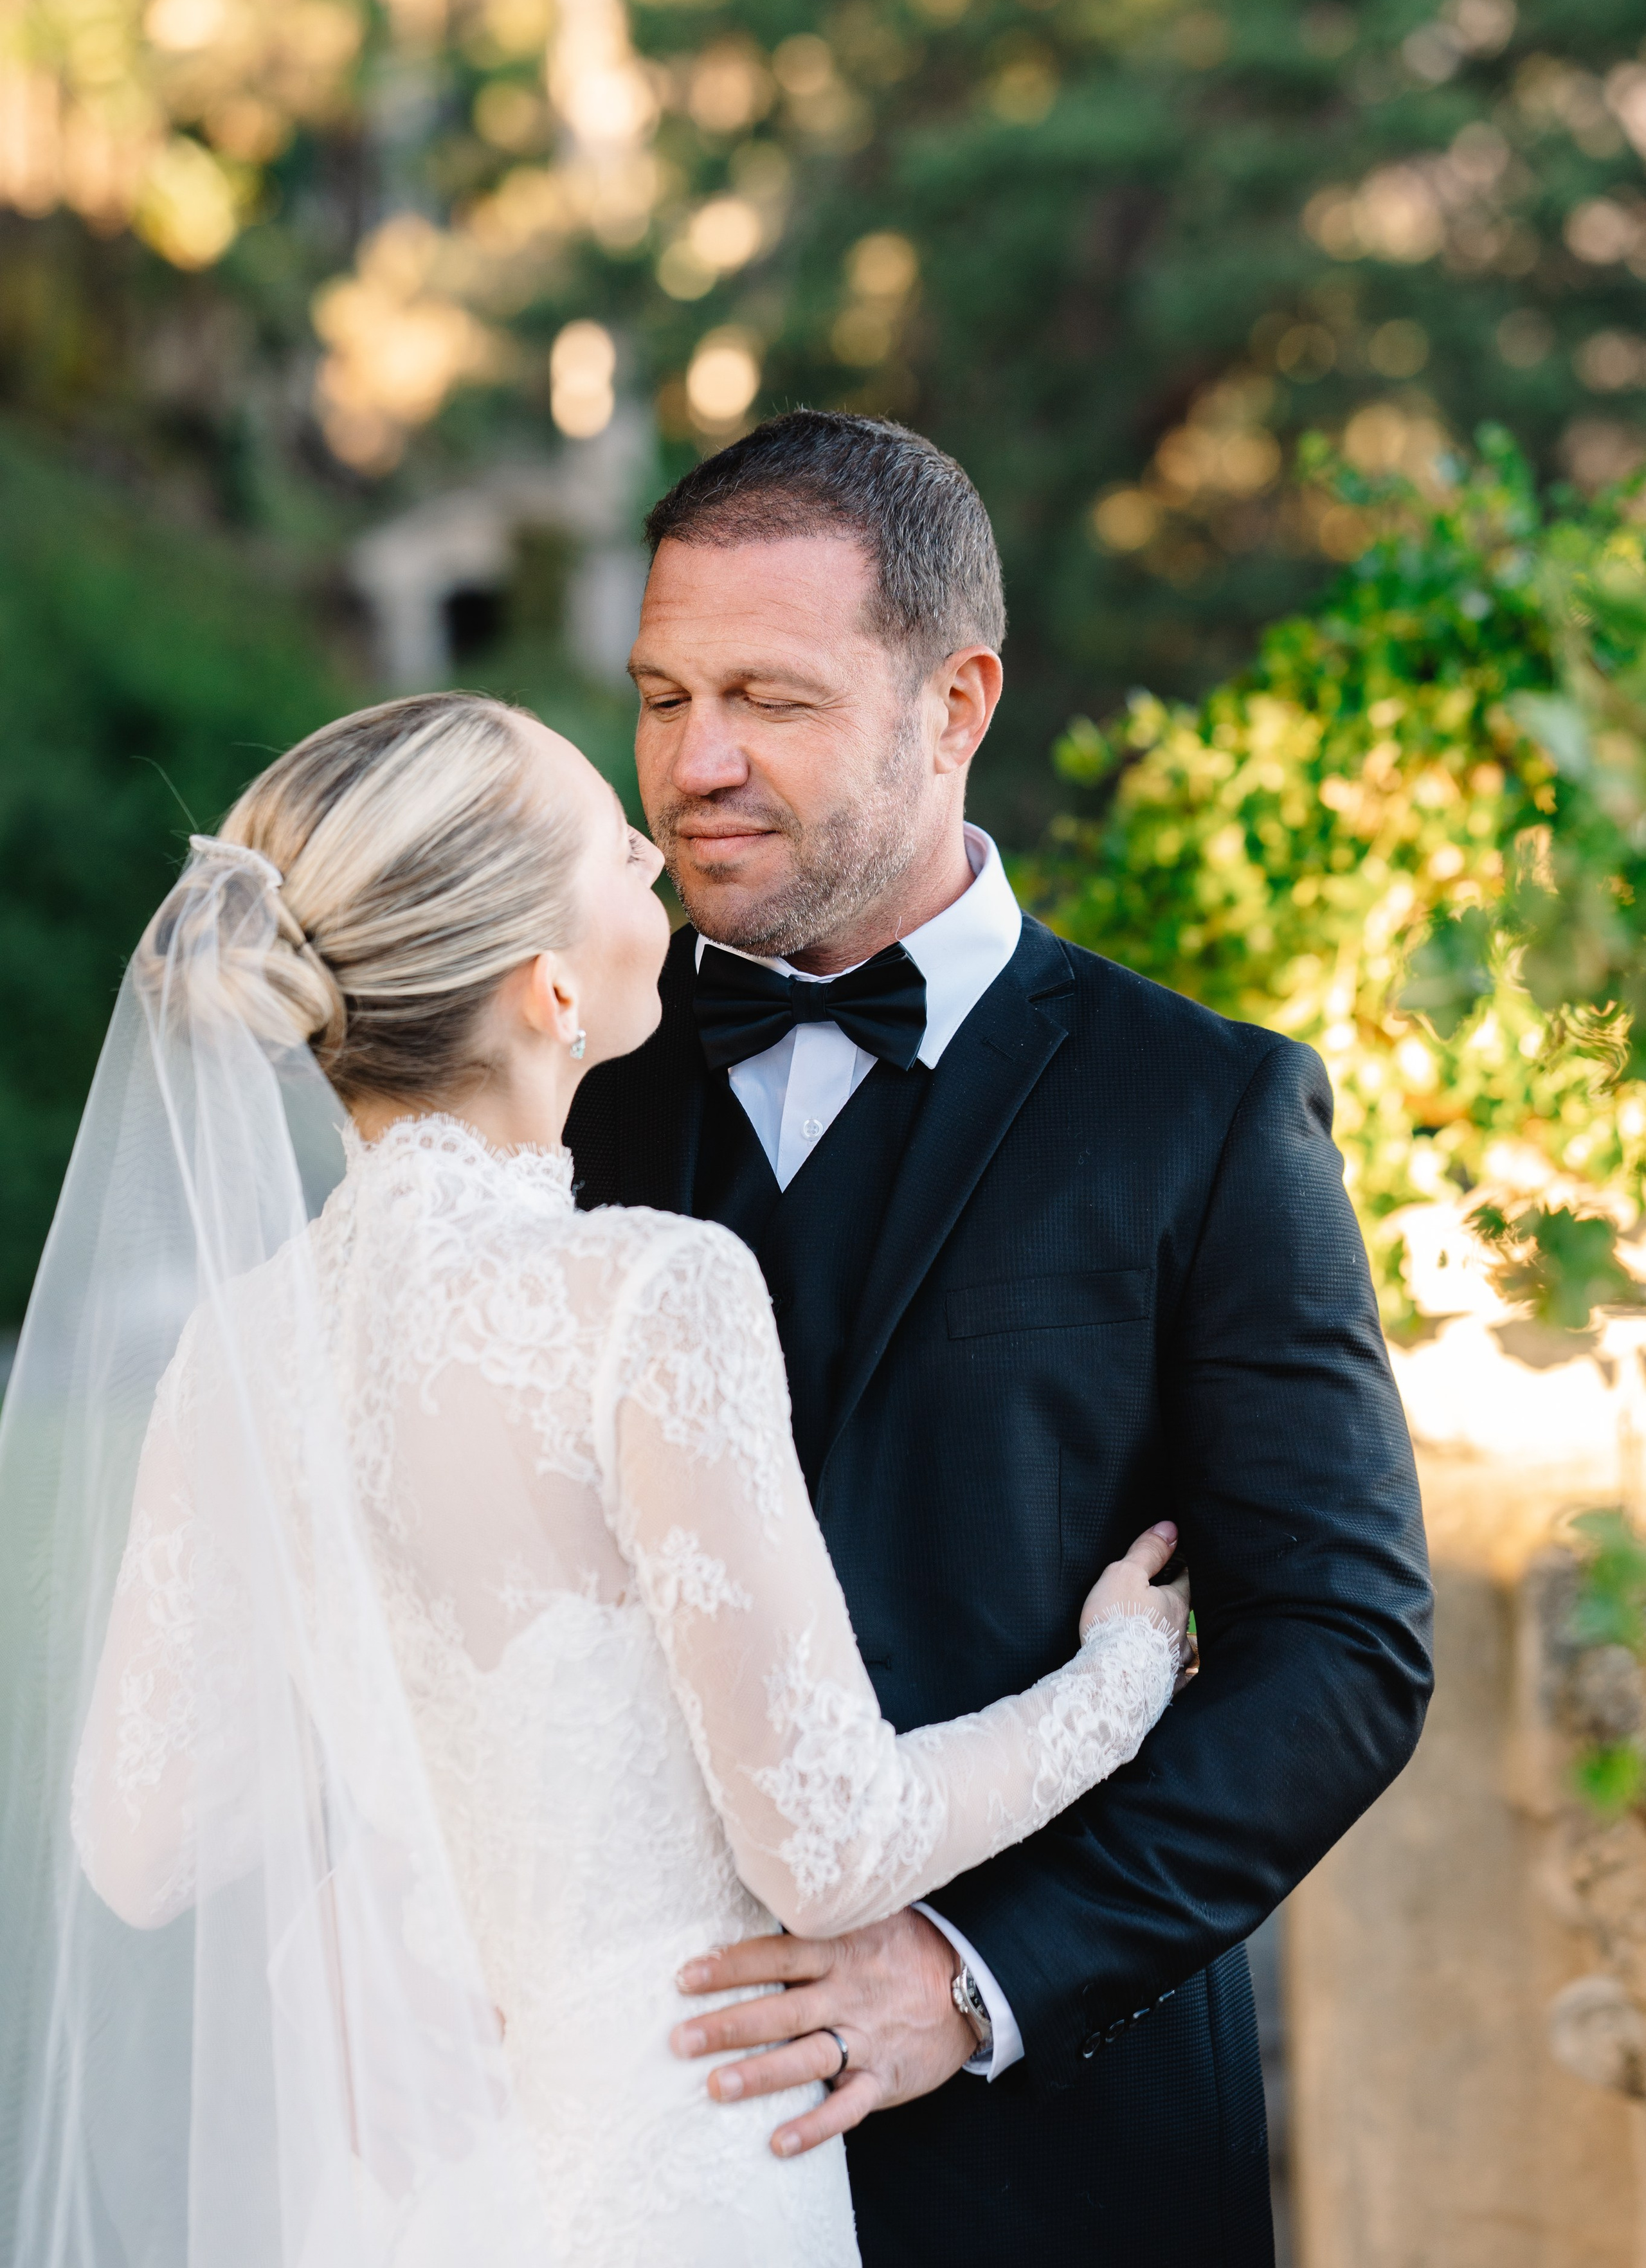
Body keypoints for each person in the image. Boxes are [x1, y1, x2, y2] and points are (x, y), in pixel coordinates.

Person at [0, 689, 1191, 2268]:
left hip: (403, 2185)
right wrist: (1122, 1673)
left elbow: (139, 1844)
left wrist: (352, 1889)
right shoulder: (645, 1293)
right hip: (673, 2157)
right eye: (606, 847)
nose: (651, 847)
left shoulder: (239, 1345)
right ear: (550, 985)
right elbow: (830, 1839)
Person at [565, 409, 1435, 2264]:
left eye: (770, 701)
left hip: (1061, 2157)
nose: (694, 764)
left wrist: (970, 1975)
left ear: (956, 703)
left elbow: (1345, 1652)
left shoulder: (1202, 1112)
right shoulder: (558, 1097)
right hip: (617, 2139)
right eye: (661, 695)